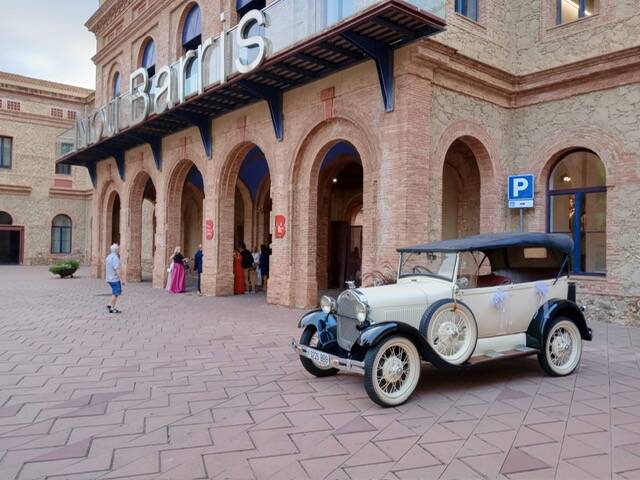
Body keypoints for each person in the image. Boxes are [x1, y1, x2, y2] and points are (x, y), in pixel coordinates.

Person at [105, 243, 124, 314]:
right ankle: (112, 308)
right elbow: (117, 270)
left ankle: (109, 304)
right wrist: (122, 280)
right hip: (114, 279)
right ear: (116, 250)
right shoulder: (115, 258)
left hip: (109, 278)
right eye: (118, 249)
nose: (119, 250)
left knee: (114, 291)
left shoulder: (108, 257)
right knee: (116, 293)